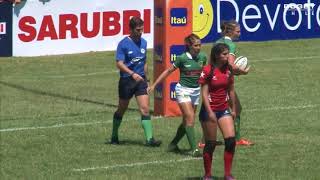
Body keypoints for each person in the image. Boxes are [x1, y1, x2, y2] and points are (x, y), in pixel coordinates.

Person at [148, 33, 206, 157]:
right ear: (189, 46)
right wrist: (154, 85)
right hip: (183, 90)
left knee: (187, 121)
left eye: (200, 45)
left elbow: (206, 74)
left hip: (195, 92)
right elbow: (167, 71)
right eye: (196, 45)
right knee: (190, 117)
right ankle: (194, 150)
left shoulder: (202, 57)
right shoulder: (182, 58)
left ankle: (173, 144)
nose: (198, 47)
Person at [109, 16, 161, 147]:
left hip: (141, 81)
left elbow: (144, 62)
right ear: (131, 29)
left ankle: (150, 139)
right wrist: (132, 74)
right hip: (126, 81)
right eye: (138, 30)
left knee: (144, 109)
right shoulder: (123, 44)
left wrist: (147, 80)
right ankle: (114, 135)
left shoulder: (143, 42)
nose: (140, 32)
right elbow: (119, 64)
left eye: (142, 29)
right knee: (122, 109)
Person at [198, 43, 237, 180]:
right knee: (211, 144)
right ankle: (207, 175)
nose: (227, 56)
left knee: (231, 141)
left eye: (227, 54)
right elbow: (204, 93)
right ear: (216, 55)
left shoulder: (228, 70)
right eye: (224, 54)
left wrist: (233, 109)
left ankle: (227, 174)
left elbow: (231, 91)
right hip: (209, 111)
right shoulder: (208, 70)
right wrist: (209, 112)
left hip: (223, 109)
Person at [216, 20, 253, 146]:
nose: (240, 33)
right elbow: (231, 65)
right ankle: (236, 139)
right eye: (238, 31)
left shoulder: (218, 42)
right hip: (224, 81)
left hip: (214, 79)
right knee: (236, 108)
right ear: (230, 32)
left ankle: (206, 140)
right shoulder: (230, 45)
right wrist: (242, 71)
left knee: (218, 109)